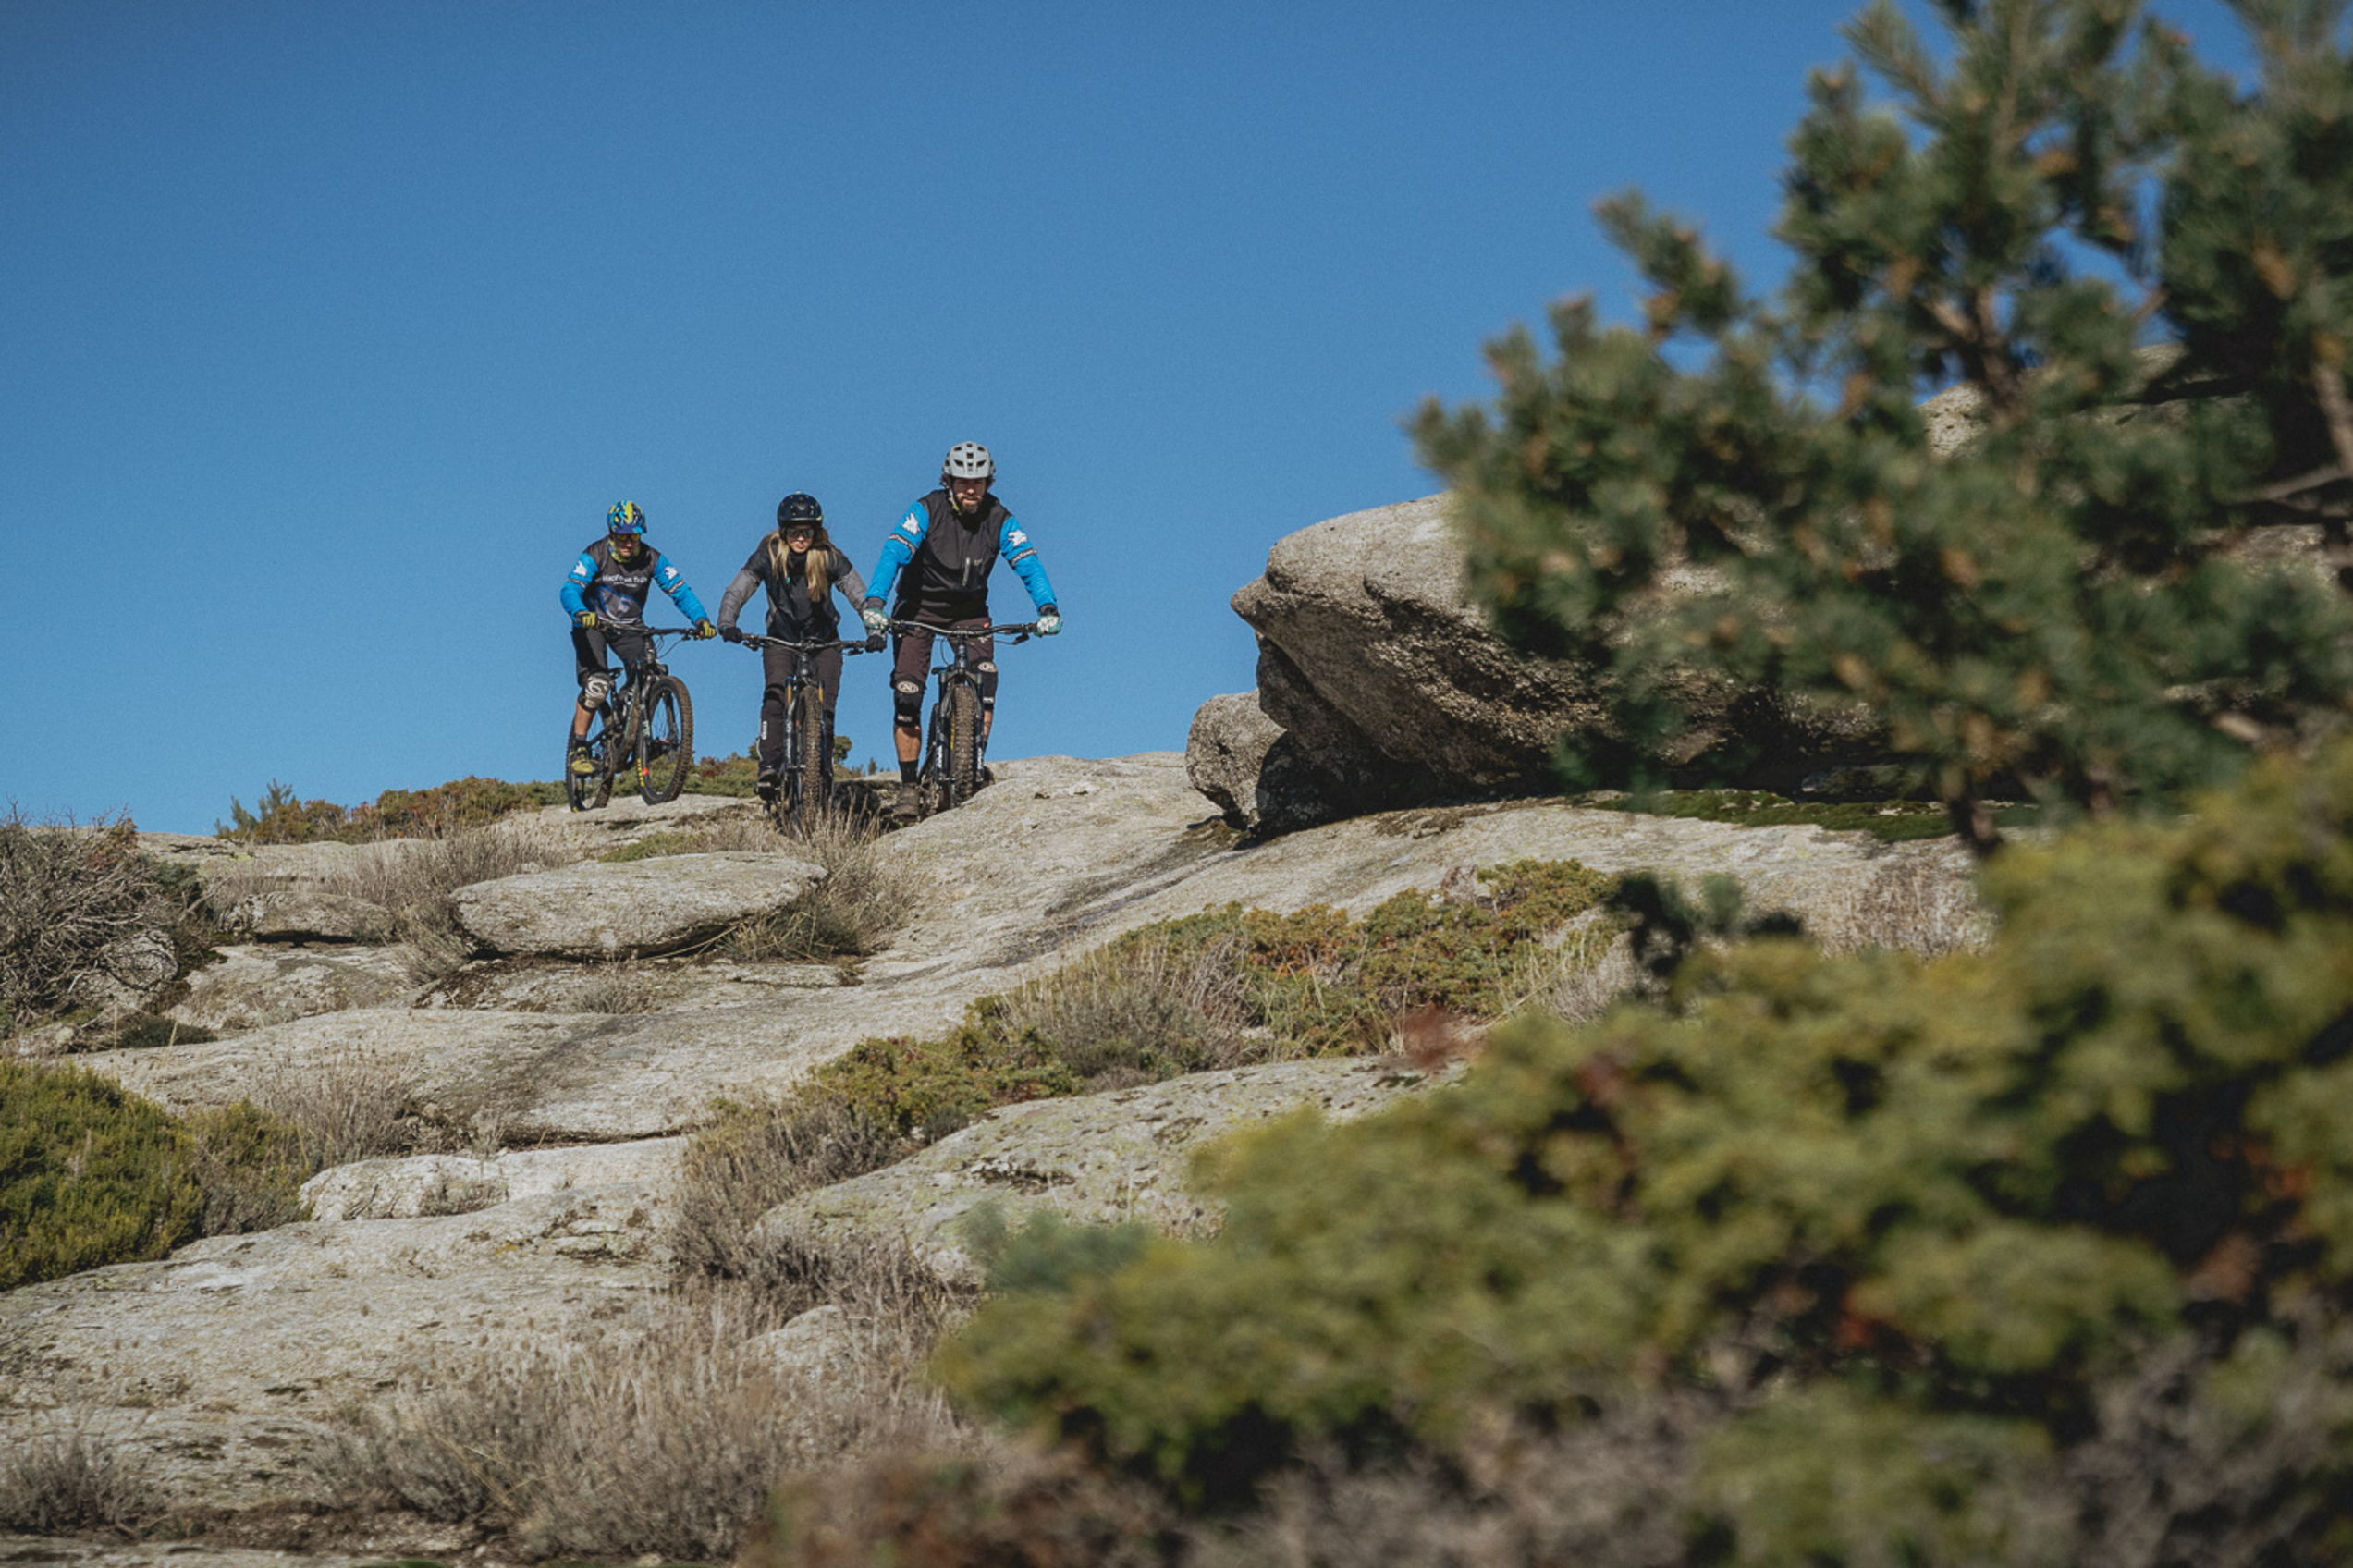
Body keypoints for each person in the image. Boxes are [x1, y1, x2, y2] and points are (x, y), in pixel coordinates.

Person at [861, 440, 1061, 820]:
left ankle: (973, 761)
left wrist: (1046, 606)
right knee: (908, 695)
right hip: (918, 609)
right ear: (948, 480)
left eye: (980, 481)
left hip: (970, 613)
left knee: (986, 678)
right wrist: (875, 602)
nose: (972, 489)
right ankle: (907, 788)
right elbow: (894, 551)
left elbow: (1028, 562)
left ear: (988, 482)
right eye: (963, 481)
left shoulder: (999, 518)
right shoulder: (926, 510)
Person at [716, 492, 881, 801]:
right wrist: (727, 622)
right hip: (781, 639)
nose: (800, 537)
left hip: (825, 642)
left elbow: (860, 594)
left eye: (806, 531)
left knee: (825, 711)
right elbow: (738, 589)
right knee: (775, 695)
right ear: (783, 531)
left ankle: (823, 775)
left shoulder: (829, 556)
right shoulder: (768, 553)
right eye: (794, 531)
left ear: (816, 532)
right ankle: (768, 766)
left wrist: (874, 629)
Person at [560, 501, 717, 776]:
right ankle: (580, 748)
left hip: (630, 628)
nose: (628, 543)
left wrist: (701, 620)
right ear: (611, 533)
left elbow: (680, 591)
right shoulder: (594, 555)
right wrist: (581, 611)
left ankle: (628, 716)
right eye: (622, 536)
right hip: (592, 625)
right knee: (597, 684)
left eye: (634, 536)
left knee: (650, 673)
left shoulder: (653, 559)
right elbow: (569, 589)